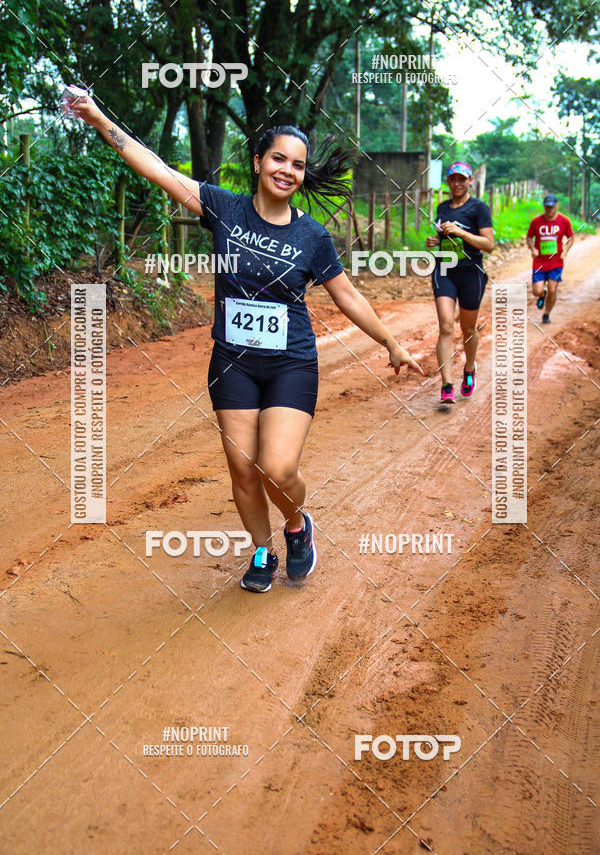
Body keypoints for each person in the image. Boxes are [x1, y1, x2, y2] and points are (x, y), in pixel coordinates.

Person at [71, 95, 423, 592]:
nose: (288, 170)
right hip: (232, 363)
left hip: (291, 363)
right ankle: (262, 551)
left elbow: (346, 295)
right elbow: (156, 167)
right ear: (258, 162)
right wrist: (98, 116)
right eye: (278, 158)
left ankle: (298, 525)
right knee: (241, 467)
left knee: (277, 468)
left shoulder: (311, 236)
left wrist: (391, 342)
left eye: (298, 165)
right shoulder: (225, 208)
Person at [425, 162, 494, 404]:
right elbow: (445, 238)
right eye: (453, 179)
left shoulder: (479, 208)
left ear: (470, 181)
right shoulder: (442, 207)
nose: (457, 184)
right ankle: (446, 384)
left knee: (467, 328)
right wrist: (435, 241)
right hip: (444, 270)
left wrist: (462, 233)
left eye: (461, 179)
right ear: (448, 181)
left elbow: (489, 245)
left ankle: (470, 367)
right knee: (445, 326)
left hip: (471, 273)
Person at [526, 194, 574, 324]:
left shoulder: (564, 221)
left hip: (556, 262)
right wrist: (533, 249)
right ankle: (542, 295)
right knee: (537, 291)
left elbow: (571, 237)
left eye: (552, 207)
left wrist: (565, 250)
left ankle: (546, 314)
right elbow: (529, 237)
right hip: (539, 263)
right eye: (547, 207)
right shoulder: (536, 221)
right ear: (544, 207)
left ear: (556, 206)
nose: (549, 210)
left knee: (553, 289)